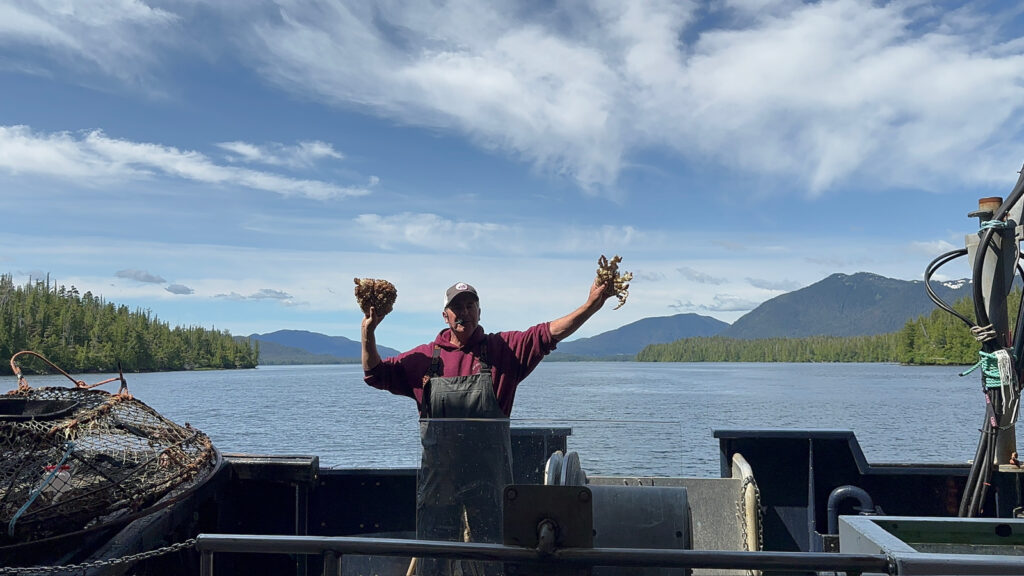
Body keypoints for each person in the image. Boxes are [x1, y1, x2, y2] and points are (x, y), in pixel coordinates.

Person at [359, 277, 614, 575]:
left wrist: (592, 305)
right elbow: (375, 373)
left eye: (470, 305)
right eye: (456, 307)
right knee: (433, 558)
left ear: (480, 312)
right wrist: (368, 331)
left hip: (489, 485)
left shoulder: (502, 349)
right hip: (439, 484)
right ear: (445, 315)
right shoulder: (424, 358)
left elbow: (549, 334)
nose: (463, 312)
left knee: (491, 559)